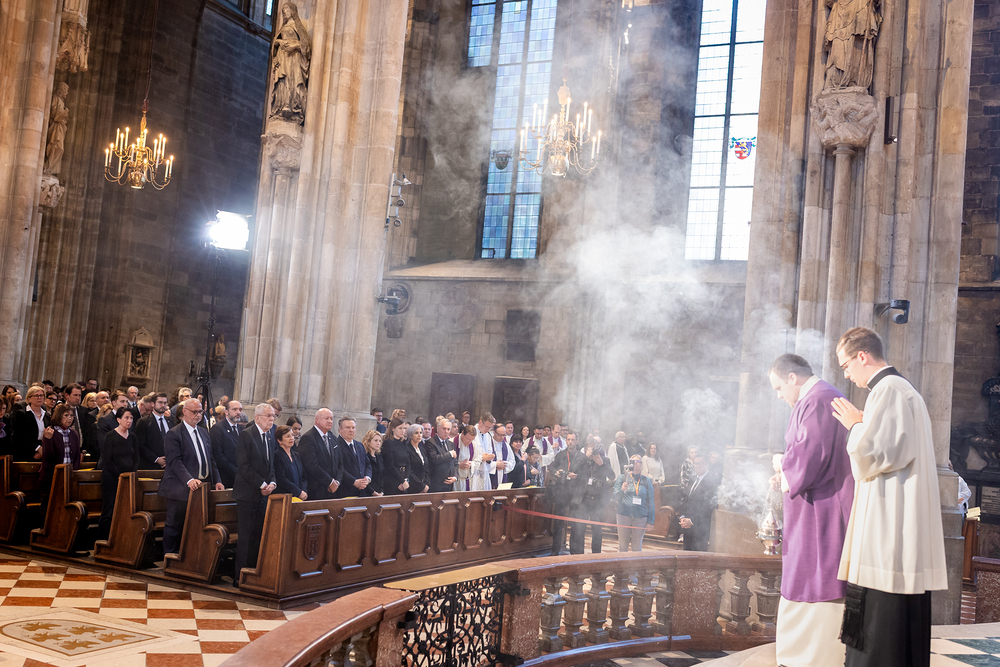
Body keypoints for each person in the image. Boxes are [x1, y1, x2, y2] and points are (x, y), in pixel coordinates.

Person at [831, 327, 947, 667]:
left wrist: (855, 425)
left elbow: (877, 453)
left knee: (882, 624)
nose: (847, 374)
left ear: (862, 356)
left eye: (846, 365)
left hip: (890, 524)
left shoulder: (889, 390)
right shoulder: (897, 390)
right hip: (893, 515)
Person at [767, 353, 854, 667]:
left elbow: (810, 455)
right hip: (814, 504)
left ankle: (814, 657)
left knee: (818, 572)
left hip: (823, 508)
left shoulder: (818, 399)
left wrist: (782, 465)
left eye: (779, 388)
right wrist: (786, 472)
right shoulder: (816, 398)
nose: (779, 396)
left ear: (793, 377)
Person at [159, 399, 224, 555]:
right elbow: (175, 461)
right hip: (179, 487)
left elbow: (210, 459)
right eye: (195, 412)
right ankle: (170, 557)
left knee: (196, 524)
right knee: (175, 524)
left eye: (200, 412)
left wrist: (217, 481)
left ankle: (188, 556)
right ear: (184, 412)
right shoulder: (174, 433)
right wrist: (189, 480)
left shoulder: (203, 432)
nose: (198, 415)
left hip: (201, 487)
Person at [233, 403, 278, 587]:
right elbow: (244, 466)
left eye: (273, 416)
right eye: (269, 416)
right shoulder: (247, 434)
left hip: (263, 494)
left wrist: (272, 483)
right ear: (258, 417)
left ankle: (254, 574)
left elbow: (271, 465)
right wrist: (262, 484)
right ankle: (240, 577)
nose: (272, 419)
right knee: (246, 536)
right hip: (247, 493)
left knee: (259, 535)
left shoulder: (270, 436)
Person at [568, 437, 614, 554]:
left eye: (595, 447)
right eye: (591, 447)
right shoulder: (581, 459)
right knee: (579, 530)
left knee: (597, 531)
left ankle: (596, 557)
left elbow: (612, 476)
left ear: (599, 447)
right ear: (586, 448)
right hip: (583, 500)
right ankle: (579, 556)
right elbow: (572, 470)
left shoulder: (605, 460)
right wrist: (585, 457)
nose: (593, 450)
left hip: (597, 501)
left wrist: (601, 464)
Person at [98, 407, 139, 538]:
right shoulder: (110, 436)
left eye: (131, 418)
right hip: (112, 478)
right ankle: (102, 539)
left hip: (128, 478)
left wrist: (131, 474)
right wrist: (120, 476)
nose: (129, 420)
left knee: (125, 509)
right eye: (126, 417)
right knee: (109, 510)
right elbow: (107, 460)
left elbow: (136, 458)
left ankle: (120, 539)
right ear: (118, 420)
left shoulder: (133, 437)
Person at [39, 404, 82, 509]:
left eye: (71, 416)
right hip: (52, 475)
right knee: (48, 505)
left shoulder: (74, 433)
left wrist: (74, 472)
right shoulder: (51, 432)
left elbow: (77, 456)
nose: (70, 418)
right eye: (66, 415)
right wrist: (48, 440)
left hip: (69, 474)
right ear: (59, 416)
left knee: (66, 504)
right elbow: (48, 457)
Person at [612, 454, 656, 552]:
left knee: (637, 547)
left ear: (641, 464)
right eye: (633, 461)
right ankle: (622, 562)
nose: (635, 463)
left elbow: (651, 502)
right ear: (629, 464)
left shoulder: (646, 480)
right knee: (622, 546)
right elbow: (614, 497)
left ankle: (636, 563)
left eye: (638, 461)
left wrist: (651, 521)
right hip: (623, 515)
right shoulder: (622, 478)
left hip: (640, 517)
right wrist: (622, 490)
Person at [297, 408, 341, 500]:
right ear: (317, 420)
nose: (330, 421)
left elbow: (340, 463)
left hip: (333, 491)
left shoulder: (333, 437)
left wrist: (336, 482)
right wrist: (329, 482)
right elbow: (311, 465)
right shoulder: (308, 438)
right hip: (316, 490)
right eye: (326, 418)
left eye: (331, 418)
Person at [678, 451, 719, 552]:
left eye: (700, 463)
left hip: (700, 528)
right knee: (686, 555)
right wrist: (682, 517)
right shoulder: (692, 479)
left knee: (697, 557)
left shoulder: (711, 481)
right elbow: (685, 499)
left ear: (707, 464)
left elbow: (707, 506)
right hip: (687, 527)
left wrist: (692, 521)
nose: (697, 466)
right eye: (696, 463)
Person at [548, 432, 579, 555]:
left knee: (575, 524)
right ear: (566, 441)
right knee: (558, 523)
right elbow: (551, 468)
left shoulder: (581, 457)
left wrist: (577, 476)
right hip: (561, 491)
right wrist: (556, 472)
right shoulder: (561, 455)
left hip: (575, 492)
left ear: (576, 441)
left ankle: (574, 552)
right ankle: (555, 551)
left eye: (573, 440)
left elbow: (585, 474)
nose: (570, 442)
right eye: (568, 440)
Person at [334, 416, 371, 498]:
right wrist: (354, 481)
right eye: (347, 427)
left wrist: (367, 478)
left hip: (362, 491)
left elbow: (367, 463)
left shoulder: (359, 445)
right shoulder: (335, 445)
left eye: (353, 428)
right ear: (340, 429)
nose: (351, 430)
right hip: (345, 491)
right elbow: (338, 468)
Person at [209, 400, 243, 487]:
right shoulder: (218, 428)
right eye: (234, 409)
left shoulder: (241, 429)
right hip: (226, 477)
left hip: (241, 478)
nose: (238, 412)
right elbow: (218, 455)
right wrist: (236, 472)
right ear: (226, 412)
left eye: (240, 409)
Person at [10, 386, 48, 461]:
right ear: (29, 398)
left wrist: (42, 450)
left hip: (42, 453)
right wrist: (38, 448)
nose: (39, 398)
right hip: (25, 452)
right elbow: (20, 435)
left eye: (41, 395)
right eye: (36, 395)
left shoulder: (46, 415)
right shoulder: (22, 414)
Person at [136, 393, 173, 470]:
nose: (163, 405)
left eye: (165, 403)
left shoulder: (171, 421)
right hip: (150, 466)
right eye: (160, 402)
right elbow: (140, 445)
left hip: (169, 465)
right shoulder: (143, 422)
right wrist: (156, 459)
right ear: (152, 404)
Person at [273, 424, 307, 500]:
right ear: (279, 440)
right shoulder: (277, 455)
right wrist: (298, 492)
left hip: (299, 496)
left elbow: (304, 477)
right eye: (287, 436)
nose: (291, 438)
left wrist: (303, 491)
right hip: (284, 497)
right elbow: (281, 479)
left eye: (292, 435)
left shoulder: (296, 455)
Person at [424, 419, 457, 492]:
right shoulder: (431, 442)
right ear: (438, 429)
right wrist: (450, 454)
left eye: (448, 429)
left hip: (449, 484)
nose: (446, 431)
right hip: (436, 483)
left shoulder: (451, 444)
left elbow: (455, 463)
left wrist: (455, 477)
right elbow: (434, 459)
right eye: (444, 429)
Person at [381, 417, 411, 495]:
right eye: (400, 428)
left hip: (404, 478)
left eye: (404, 428)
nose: (403, 431)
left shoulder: (403, 442)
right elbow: (389, 465)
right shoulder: (388, 443)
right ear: (393, 428)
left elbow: (408, 463)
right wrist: (401, 481)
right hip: (392, 479)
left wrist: (406, 479)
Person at [403, 424, 430, 494]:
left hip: (425, 486)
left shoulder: (422, 449)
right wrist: (421, 486)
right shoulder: (407, 449)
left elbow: (426, 468)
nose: (419, 435)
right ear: (410, 435)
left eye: (420, 433)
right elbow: (410, 471)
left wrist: (426, 484)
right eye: (416, 433)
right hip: (413, 487)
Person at [362, 429, 385, 496]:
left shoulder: (379, 456)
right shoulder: (364, 456)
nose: (378, 443)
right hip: (367, 493)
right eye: (375, 440)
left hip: (379, 492)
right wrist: (373, 493)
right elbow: (364, 477)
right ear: (368, 442)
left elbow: (381, 476)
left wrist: (381, 492)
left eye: (380, 441)